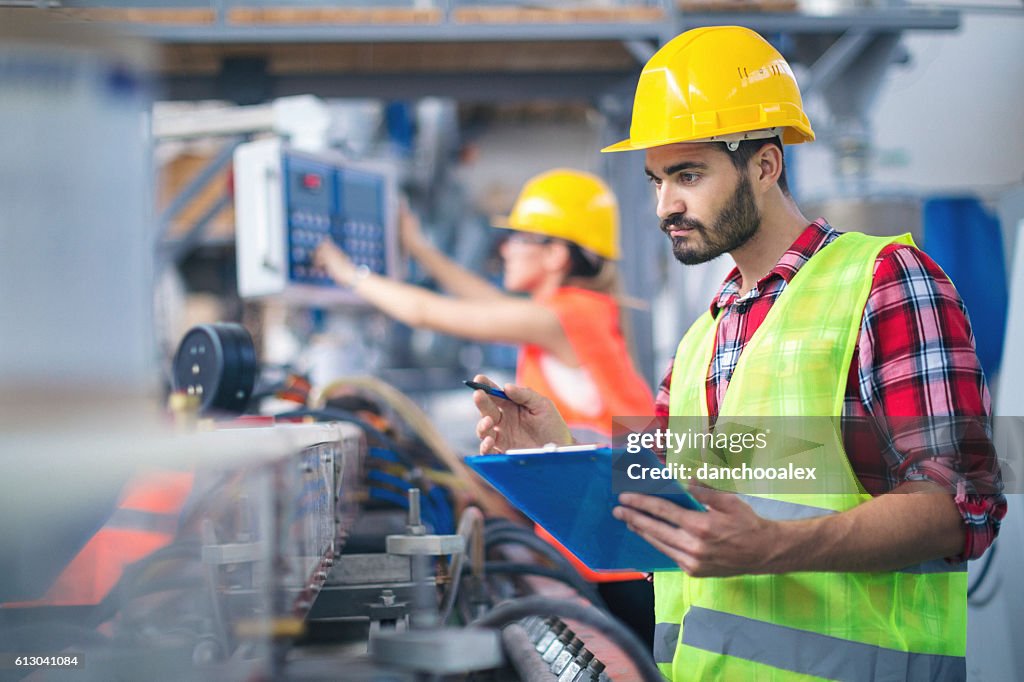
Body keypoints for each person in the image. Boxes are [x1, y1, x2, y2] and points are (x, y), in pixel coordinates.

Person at [472, 25, 1006, 680]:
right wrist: (558, 451)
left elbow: (960, 505)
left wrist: (773, 547)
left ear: (765, 164)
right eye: (656, 180)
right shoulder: (707, 333)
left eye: (688, 174)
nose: (666, 204)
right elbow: (671, 497)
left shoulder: (886, 283)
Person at [314, 168, 657, 643]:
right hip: (614, 537)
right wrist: (420, 250)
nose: (503, 248)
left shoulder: (566, 316)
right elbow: (485, 301)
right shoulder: (573, 312)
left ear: (556, 253)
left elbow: (427, 314)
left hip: (616, 546)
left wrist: (344, 271)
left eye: (517, 237)